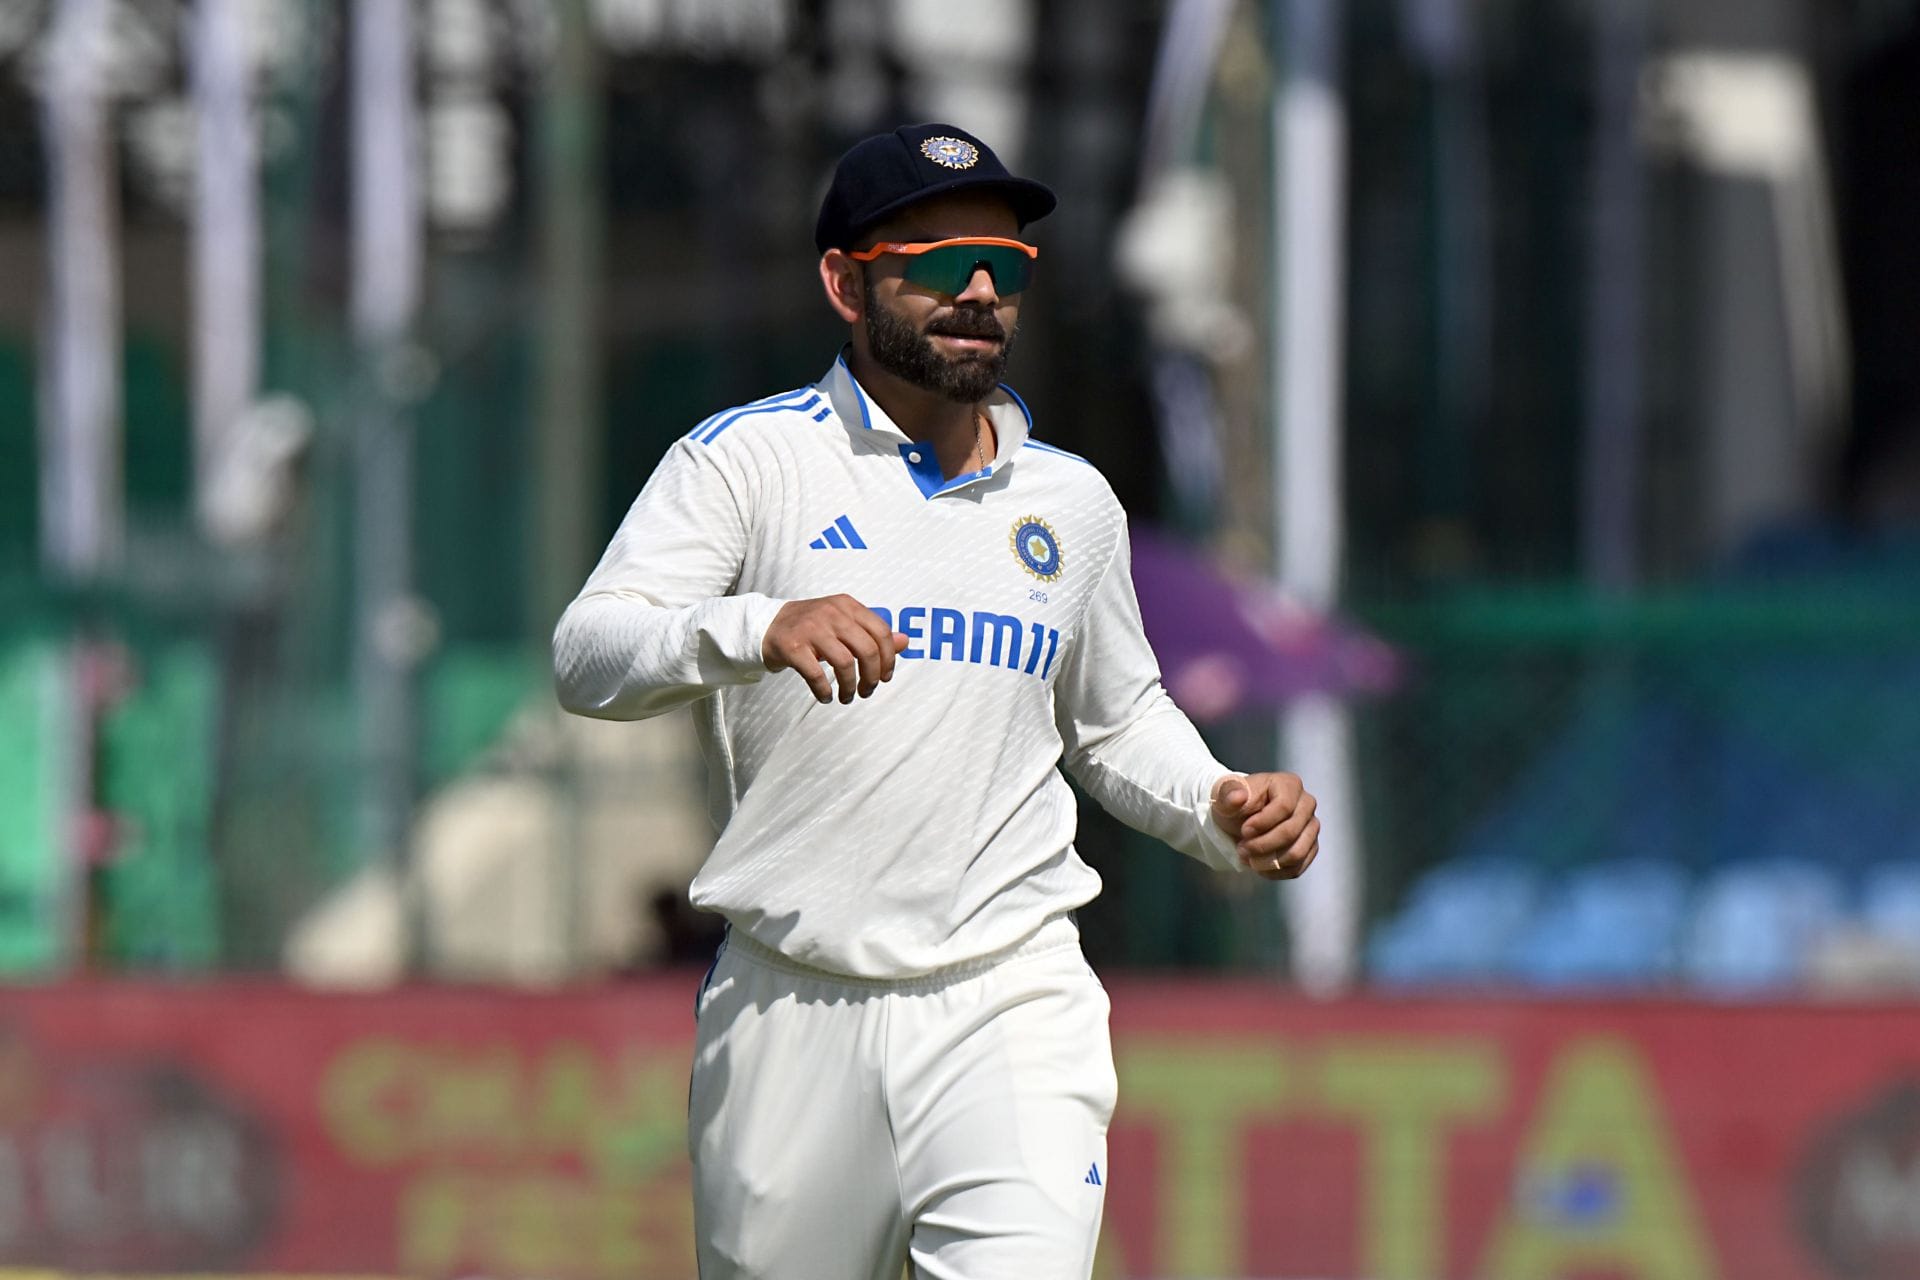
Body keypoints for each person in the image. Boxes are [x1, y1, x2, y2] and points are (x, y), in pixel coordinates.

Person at [553, 122, 1319, 1280]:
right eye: (937, 259)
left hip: (1008, 991)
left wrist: (1221, 800)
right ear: (845, 281)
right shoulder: (745, 463)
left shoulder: (1071, 503)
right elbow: (590, 652)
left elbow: (1115, 720)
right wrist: (759, 625)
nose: (977, 290)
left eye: (1006, 267)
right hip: (789, 1005)